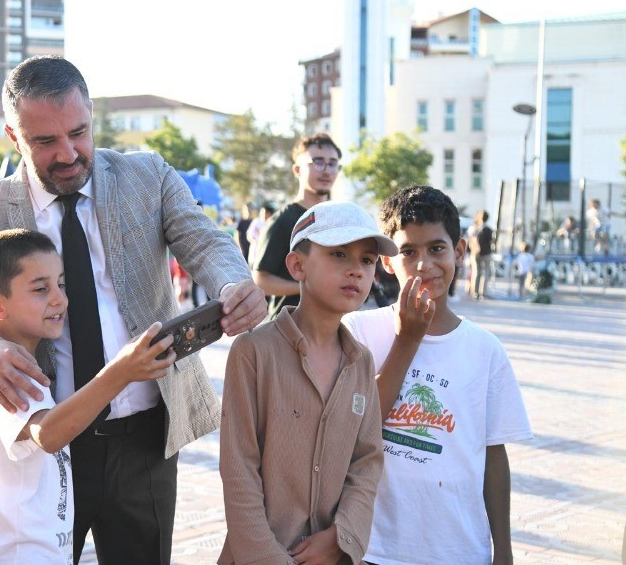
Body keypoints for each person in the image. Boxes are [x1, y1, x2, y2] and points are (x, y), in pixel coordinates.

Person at [0, 55, 266, 564]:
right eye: (45, 142)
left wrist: (236, 284)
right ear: (13, 136)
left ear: (91, 115)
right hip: (47, 449)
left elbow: (206, 242)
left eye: (78, 132)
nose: (68, 153)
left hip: (146, 440)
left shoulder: (146, 175)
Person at [0, 228, 176, 562]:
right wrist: (121, 371)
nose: (60, 299)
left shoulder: (16, 364)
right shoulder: (9, 369)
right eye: (40, 289)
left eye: (60, 284)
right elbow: (47, 433)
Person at [342, 185, 532, 564]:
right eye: (408, 252)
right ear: (386, 261)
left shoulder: (484, 349)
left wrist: (504, 551)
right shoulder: (358, 331)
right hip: (373, 547)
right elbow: (355, 429)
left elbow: (493, 455)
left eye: (437, 249)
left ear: (459, 252)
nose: (424, 264)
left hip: (458, 548)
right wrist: (407, 340)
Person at [219, 201, 389, 564]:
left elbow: (367, 461)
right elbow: (238, 471)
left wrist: (341, 537)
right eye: (339, 254)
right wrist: (269, 558)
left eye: (367, 260)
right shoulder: (253, 353)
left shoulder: (361, 363)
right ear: (297, 265)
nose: (356, 271)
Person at [252, 133, 341, 319]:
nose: (326, 170)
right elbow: (260, 280)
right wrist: (307, 287)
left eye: (333, 163)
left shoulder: (337, 217)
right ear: (297, 170)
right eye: (317, 161)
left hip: (328, 330)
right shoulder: (283, 220)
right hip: (289, 328)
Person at [468, 210, 494, 300]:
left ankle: (475, 292)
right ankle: (483, 292)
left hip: (475, 253)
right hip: (486, 253)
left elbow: (470, 241)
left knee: (476, 272)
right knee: (486, 272)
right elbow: (491, 242)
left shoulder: (474, 228)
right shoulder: (488, 229)